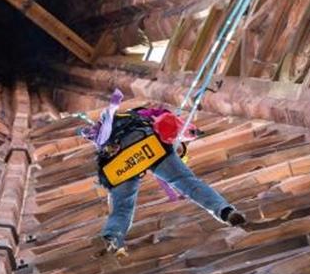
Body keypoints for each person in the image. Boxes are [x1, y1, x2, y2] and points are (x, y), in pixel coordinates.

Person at [93, 103, 245, 257]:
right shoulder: (145, 113)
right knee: (186, 182)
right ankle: (225, 211)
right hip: (146, 143)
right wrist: (194, 132)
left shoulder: (110, 128)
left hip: (115, 160)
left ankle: (112, 237)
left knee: (122, 208)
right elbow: (178, 124)